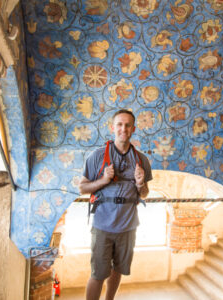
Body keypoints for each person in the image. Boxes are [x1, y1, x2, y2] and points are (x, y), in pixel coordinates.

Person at [79, 109, 152, 300]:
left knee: (118, 269)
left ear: (133, 129)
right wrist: (103, 180)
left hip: (128, 227)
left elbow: (144, 194)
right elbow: (82, 188)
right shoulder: (97, 156)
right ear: (112, 127)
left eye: (128, 125)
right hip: (103, 225)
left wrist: (140, 183)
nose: (123, 129)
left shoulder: (141, 160)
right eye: (119, 124)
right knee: (98, 274)